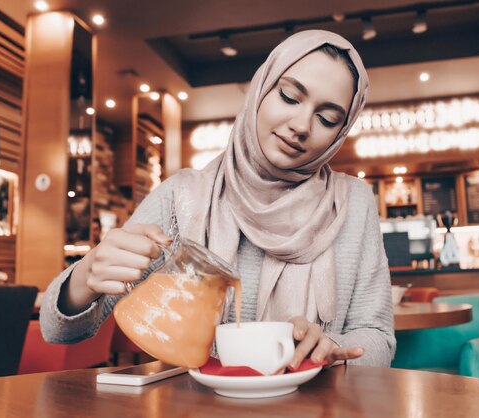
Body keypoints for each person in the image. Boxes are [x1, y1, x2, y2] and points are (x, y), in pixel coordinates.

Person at [41, 30, 395, 368]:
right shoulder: (183, 197)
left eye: (327, 118)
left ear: (340, 133)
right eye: (289, 97)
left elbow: (378, 337)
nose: (302, 125)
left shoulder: (353, 203)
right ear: (261, 89)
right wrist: (85, 278)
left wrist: (331, 349)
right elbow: (58, 331)